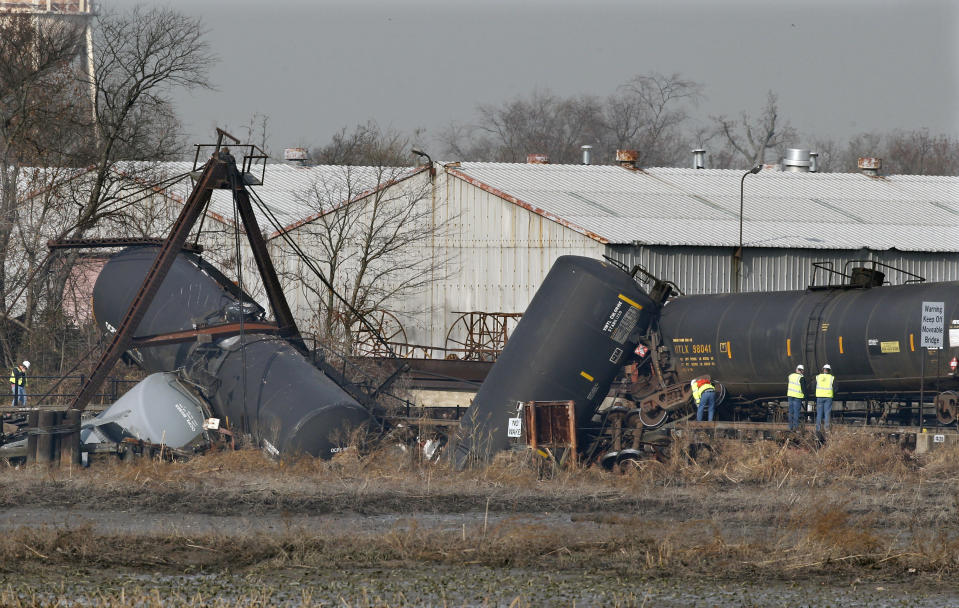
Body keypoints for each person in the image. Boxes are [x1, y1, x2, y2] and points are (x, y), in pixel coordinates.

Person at [815, 363, 835, 432]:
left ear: (823, 369)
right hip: (828, 397)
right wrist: (832, 393)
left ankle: (818, 429)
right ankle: (827, 429)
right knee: (827, 413)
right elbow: (836, 387)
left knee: (819, 413)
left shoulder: (818, 377)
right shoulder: (832, 378)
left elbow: (813, 386)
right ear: (829, 370)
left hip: (819, 397)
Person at [787, 364, 805, 431]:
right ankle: (796, 427)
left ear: (796, 369)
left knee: (791, 411)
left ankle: (790, 427)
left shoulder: (790, 376)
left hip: (790, 396)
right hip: (797, 397)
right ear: (802, 371)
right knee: (796, 412)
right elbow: (804, 389)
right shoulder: (801, 377)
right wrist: (806, 397)